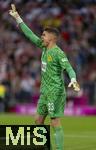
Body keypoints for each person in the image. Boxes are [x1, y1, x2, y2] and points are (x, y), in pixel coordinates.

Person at [9, 4, 80, 150]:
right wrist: (17, 17)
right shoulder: (43, 46)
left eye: (44, 35)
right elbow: (29, 34)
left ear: (52, 39)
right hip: (45, 91)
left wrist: (73, 79)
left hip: (55, 91)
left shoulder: (58, 53)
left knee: (54, 122)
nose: (41, 36)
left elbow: (69, 68)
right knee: (37, 120)